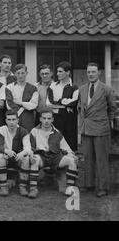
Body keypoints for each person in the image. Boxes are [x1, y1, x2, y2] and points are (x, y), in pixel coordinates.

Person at [78, 62, 116, 197]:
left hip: (101, 129)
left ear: (99, 73)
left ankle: (103, 188)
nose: (91, 74)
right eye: (88, 72)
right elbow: (80, 109)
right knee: (87, 158)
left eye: (93, 72)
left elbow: (112, 108)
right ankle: (89, 184)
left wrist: (107, 122)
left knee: (101, 159)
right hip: (86, 129)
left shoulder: (106, 89)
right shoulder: (82, 89)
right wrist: (81, 128)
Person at [23, 109, 78, 199]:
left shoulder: (57, 133)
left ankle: (70, 188)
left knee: (72, 161)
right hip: (42, 156)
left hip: (55, 156)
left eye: (49, 118)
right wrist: (31, 155)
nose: (46, 121)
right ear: (40, 119)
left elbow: (66, 148)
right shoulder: (34, 131)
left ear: (52, 119)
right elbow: (30, 147)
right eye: (44, 118)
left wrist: (72, 155)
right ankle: (33, 189)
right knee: (35, 160)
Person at [0, 110, 30, 197]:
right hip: (6, 155)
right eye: (9, 119)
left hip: (18, 156)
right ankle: (3, 186)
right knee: (0, 157)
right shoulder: (1, 130)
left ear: (17, 120)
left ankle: (22, 187)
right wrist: (7, 151)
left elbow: (28, 148)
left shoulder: (23, 131)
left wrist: (22, 153)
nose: (11, 122)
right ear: (6, 120)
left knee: (26, 158)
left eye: (14, 119)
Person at [46, 61, 79, 151]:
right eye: (57, 71)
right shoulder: (53, 85)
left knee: (70, 144)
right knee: (56, 143)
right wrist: (65, 104)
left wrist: (59, 101)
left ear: (67, 72)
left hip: (70, 119)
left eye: (60, 71)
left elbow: (74, 102)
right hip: (56, 118)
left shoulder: (74, 87)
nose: (57, 74)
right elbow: (49, 103)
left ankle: (71, 162)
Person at [5, 64, 38, 132]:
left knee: (27, 139)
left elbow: (33, 105)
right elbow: (9, 105)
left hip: (28, 118)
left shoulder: (33, 88)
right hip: (13, 118)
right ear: (15, 74)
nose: (20, 75)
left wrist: (19, 102)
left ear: (26, 73)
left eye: (23, 73)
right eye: (18, 73)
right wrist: (25, 105)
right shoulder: (9, 87)